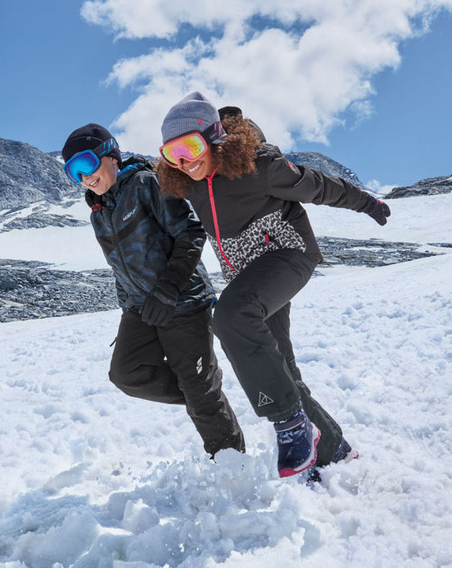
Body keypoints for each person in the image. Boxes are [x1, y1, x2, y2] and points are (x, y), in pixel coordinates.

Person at [156, 92, 391, 478]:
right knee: (279, 368)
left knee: (231, 315)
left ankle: (291, 425)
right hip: (250, 276)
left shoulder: (258, 166)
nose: (185, 161)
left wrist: (366, 202)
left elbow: (318, 186)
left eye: (191, 147)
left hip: (288, 254)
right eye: (172, 155)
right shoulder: (190, 184)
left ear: (213, 137)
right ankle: (333, 449)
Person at [61, 123, 245, 457]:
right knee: (126, 374)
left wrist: (168, 288)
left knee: (200, 394)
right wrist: (127, 306)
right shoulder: (99, 213)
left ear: (110, 155)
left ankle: (234, 470)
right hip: (140, 308)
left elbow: (191, 233)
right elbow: (119, 264)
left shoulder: (146, 184)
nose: (84, 177)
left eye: (86, 164)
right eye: (73, 171)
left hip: (184, 301)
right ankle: (202, 388)